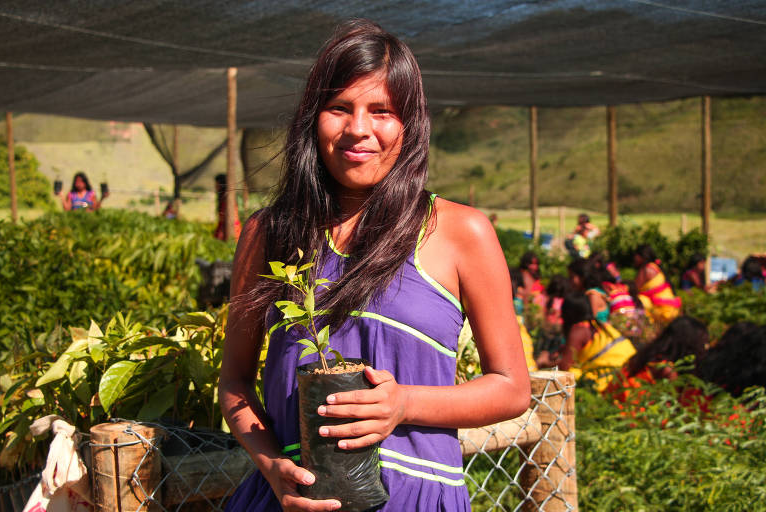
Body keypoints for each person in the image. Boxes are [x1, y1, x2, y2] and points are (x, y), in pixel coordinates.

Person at [219, 21, 531, 512]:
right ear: (312, 119)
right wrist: (271, 467)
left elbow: (512, 388)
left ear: (409, 124)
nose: (358, 129)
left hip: (416, 498)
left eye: (381, 111)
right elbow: (234, 380)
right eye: (339, 108)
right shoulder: (269, 233)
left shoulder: (460, 232)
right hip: (290, 501)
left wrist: (403, 403)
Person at [539, 293, 635, 391]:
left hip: (610, 381)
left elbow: (565, 367)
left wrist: (545, 363)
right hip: (630, 369)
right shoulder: (600, 324)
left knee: (572, 373)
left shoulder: (579, 330)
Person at [634, 244, 681, 325]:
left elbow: (635, 288)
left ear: (641, 256)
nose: (634, 259)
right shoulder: (655, 267)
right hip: (672, 307)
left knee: (639, 299)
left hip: (661, 309)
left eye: (635, 256)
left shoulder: (646, 269)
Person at [213, 173, 242, 241]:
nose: (215, 186)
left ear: (222, 185)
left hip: (232, 227)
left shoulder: (227, 197)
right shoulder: (223, 196)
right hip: (225, 225)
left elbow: (230, 216)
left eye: (217, 184)